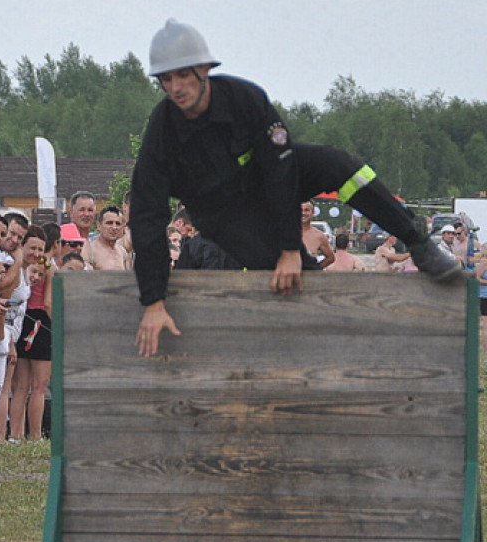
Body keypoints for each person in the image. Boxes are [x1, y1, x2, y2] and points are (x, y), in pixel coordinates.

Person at [131, 19, 462, 357]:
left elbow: (281, 168)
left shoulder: (246, 99)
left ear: (204, 69)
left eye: (183, 75)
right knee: (290, 275)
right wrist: (154, 301)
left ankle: (420, 244)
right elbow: (146, 217)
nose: (175, 88)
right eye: (166, 79)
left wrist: (290, 244)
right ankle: (329, 345)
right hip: (223, 215)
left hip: (268, 179)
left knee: (339, 165)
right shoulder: (162, 132)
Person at [9, 226, 53, 443]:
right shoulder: (49, 267)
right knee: (39, 387)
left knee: (21, 386)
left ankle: (15, 434)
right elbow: (48, 302)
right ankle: (35, 435)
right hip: (40, 321)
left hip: (23, 319)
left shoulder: (23, 265)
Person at [83, 205, 132, 270]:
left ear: (123, 227)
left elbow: (129, 278)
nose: (114, 227)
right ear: (99, 225)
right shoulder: (89, 249)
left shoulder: (123, 252)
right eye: (109, 223)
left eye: (118, 224)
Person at [301, 200, 335, 268]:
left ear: (313, 213)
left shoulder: (319, 236)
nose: (303, 213)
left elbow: (331, 258)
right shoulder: (285, 232)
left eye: (307, 210)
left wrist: (316, 268)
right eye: (300, 210)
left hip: (308, 277)